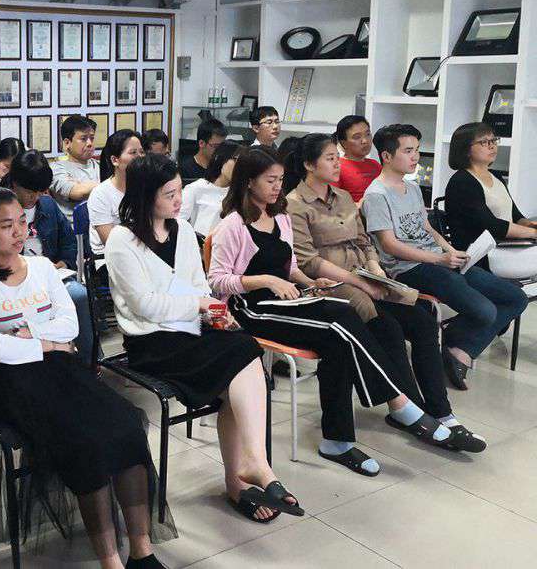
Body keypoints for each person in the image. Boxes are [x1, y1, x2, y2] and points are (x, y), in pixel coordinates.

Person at [210, 148, 456, 477]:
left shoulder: (280, 216)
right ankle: (399, 403)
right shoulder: (232, 225)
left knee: (340, 328)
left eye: (280, 179)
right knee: (340, 322)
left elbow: (290, 267)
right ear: (248, 182)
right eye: (270, 181)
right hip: (251, 308)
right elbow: (217, 281)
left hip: (288, 298)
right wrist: (266, 280)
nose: (277, 187)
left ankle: (336, 441)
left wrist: (311, 282)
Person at [0, 187, 173, 568]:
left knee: (127, 425)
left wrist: (32, 337)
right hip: (8, 382)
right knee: (82, 443)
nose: (18, 232)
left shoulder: (42, 267)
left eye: (21, 222)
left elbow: (69, 324)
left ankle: (141, 552)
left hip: (60, 370)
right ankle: (110, 560)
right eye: (6, 226)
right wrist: (49, 344)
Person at [104, 154, 302, 523]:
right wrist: (198, 304)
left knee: (242, 353)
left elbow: (199, 286)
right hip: (151, 342)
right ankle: (245, 474)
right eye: (169, 194)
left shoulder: (180, 229)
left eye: (179, 191)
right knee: (240, 357)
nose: (179, 200)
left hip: (190, 329)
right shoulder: (121, 239)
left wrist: (211, 310)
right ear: (145, 196)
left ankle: (250, 468)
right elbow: (145, 305)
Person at [286, 134, 484, 451]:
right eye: (330, 158)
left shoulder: (343, 197)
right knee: (388, 327)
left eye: (337, 157)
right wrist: (359, 281)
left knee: (422, 320)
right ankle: (413, 412)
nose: (337, 164)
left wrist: (374, 269)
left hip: (365, 275)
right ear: (309, 165)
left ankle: (441, 411)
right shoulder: (295, 204)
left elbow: (365, 242)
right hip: (332, 284)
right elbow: (309, 261)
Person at [364, 124, 528, 390]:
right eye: (408, 151)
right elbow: (390, 245)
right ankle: (444, 338)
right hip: (409, 268)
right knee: (485, 310)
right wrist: (438, 259)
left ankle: (458, 350)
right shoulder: (376, 195)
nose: (416, 157)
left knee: (515, 298)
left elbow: (427, 229)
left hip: (439, 261)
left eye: (417, 150)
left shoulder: (412, 188)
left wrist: (449, 250)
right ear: (386, 156)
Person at [1, 149, 95, 362]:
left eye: (40, 191)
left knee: (79, 294)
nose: (34, 197)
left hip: (50, 276)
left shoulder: (48, 205)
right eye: (29, 191)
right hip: (14, 282)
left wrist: (61, 264)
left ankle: (89, 361)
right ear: (14, 183)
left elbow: (69, 243)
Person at [444, 121, 537, 278]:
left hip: (507, 247)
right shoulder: (462, 181)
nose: (492, 145)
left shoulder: (496, 176)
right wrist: (533, 233)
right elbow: (491, 225)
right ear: (466, 149)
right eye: (484, 142)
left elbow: (516, 216)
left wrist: (531, 226)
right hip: (483, 256)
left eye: (493, 140)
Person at [88, 130, 144, 257]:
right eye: (133, 152)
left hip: (142, 252)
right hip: (109, 257)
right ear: (115, 160)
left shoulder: (145, 187)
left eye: (141, 152)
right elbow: (111, 243)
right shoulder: (100, 194)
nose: (140, 157)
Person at [179, 141, 242, 237]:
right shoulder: (197, 188)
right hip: (200, 242)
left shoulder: (240, 192)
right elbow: (178, 221)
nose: (240, 167)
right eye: (237, 160)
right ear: (222, 158)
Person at [50, 114, 99, 224]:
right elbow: (78, 192)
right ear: (67, 143)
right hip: (74, 230)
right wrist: (109, 184)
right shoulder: (57, 169)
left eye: (92, 138)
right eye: (83, 139)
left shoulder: (101, 166)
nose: (90, 143)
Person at [334, 115, 380, 203]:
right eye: (357, 137)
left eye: (368, 134)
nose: (365, 141)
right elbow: (332, 204)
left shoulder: (375, 164)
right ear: (344, 143)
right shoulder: (336, 167)